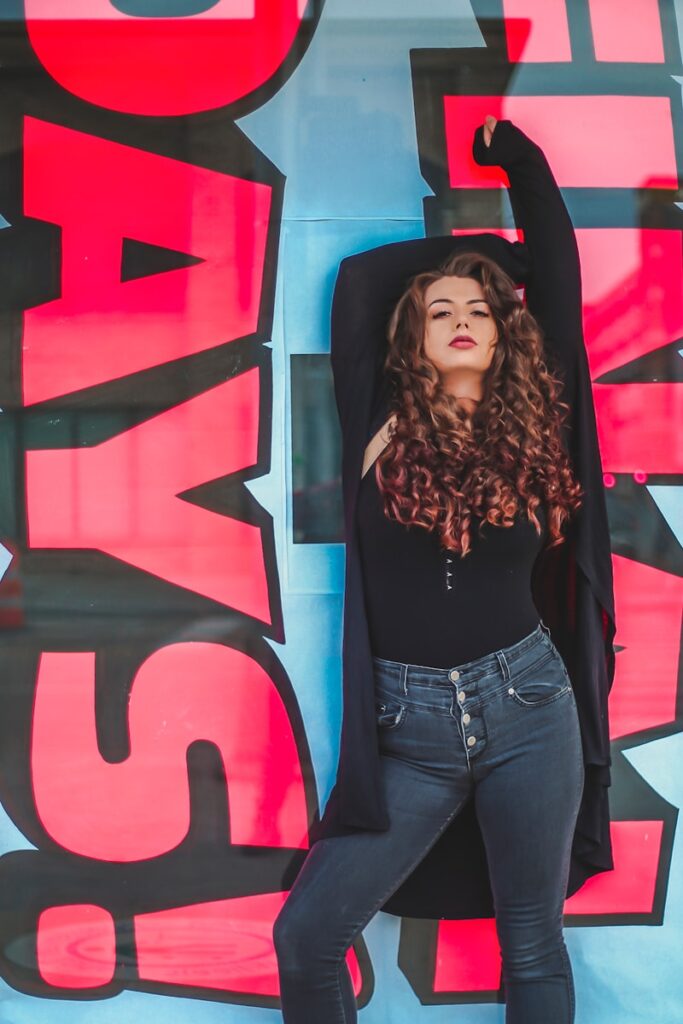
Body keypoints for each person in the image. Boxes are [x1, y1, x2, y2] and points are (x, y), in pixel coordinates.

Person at [273, 116, 616, 1024]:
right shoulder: (377, 416)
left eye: (479, 312)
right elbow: (365, 280)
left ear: (506, 334)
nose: (462, 322)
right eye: (441, 313)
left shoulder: (541, 427)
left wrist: (522, 162)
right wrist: (466, 258)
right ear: (410, 337)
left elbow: (557, 276)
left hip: (529, 709)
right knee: (306, 939)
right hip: (409, 728)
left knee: (531, 941)